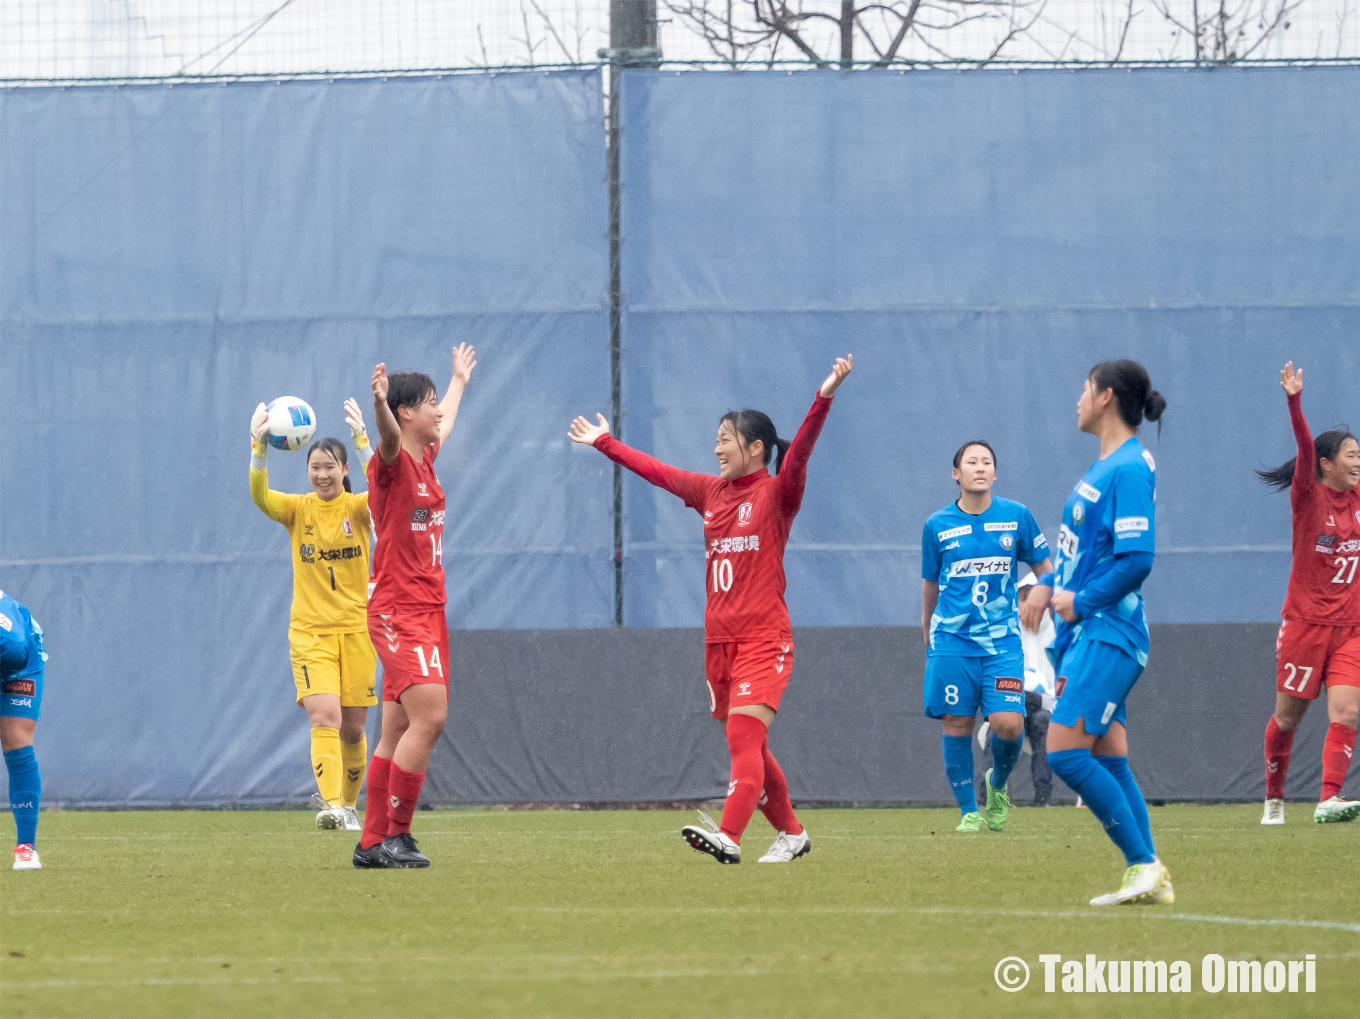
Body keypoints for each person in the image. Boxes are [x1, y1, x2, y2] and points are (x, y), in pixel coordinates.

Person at [568, 355, 853, 864]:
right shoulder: (710, 493)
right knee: (752, 749)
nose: (717, 446)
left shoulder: (776, 495)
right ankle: (792, 834)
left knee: (744, 735)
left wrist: (824, 394)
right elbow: (657, 472)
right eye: (718, 436)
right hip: (717, 642)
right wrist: (604, 443)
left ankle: (730, 836)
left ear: (756, 448)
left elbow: (803, 450)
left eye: (726, 436)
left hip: (765, 637)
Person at [1026, 359, 1173, 906]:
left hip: (1109, 631)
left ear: (1106, 396)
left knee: (1065, 755)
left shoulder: (1130, 467)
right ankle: (1152, 873)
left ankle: (1142, 865)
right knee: (1110, 761)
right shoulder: (1104, 466)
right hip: (1086, 634)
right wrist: (1047, 587)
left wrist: (1081, 600)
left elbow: (1137, 559)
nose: (1078, 398)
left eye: (1084, 388)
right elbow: (1085, 555)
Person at [353, 344, 476, 870]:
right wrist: (379, 401)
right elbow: (385, 438)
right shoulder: (393, 462)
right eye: (429, 402)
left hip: (428, 609)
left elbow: (441, 428)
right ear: (406, 413)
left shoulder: (425, 457)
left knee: (398, 729)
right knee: (432, 716)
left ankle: (370, 844)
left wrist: (458, 381)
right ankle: (394, 835)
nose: (438, 410)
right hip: (398, 610)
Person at [250, 401, 378, 831]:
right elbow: (261, 496)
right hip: (310, 635)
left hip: (358, 631)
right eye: (315, 467)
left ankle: (348, 804)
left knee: (353, 731)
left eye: (330, 467)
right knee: (324, 716)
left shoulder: (359, 509)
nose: (322, 474)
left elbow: (383, 490)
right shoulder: (297, 509)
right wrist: (258, 449)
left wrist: (363, 442)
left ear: (344, 470)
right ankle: (332, 806)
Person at [922, 441, 1052, 832]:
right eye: (971, 462)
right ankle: (968, 812)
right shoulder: (937, 525)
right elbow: (930, 583)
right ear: (955, 474)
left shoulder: (1017, 516)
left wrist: (1044, 598)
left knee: (1009, 725)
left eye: (987, 462)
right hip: (952, 642)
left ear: (995, 473)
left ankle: (997, 782)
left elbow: (1046, 570)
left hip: (1002, 644)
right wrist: (926, 626)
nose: (980, 468)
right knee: (957, 724)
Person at [1257, 361, 1360, 826]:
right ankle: (1274, 799)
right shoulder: (1308, 496)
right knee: (1287, 719)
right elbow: (1303, 446)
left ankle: (1328, 799)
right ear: (1326, 463)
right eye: (1351, 454)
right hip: (1304, 626)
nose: (1358, 461)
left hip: (1350, 629)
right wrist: (1294, 402)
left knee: (1348, 710)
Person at [1, 591, 46, 870]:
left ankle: (26, 847)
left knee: (15, 738)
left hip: (21, 662)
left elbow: (15, 651)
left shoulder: (8, 635)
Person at [1017, 573, 1056, 807]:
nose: (1027, 605)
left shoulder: (1060, 631)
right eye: (1022, 599)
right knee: (998, 729)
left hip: (1050, 709)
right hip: (1014, 703)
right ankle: (988, 794)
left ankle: (1043, 796)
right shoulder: (1007, 632)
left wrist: (1044, 700)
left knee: (1042, 721)